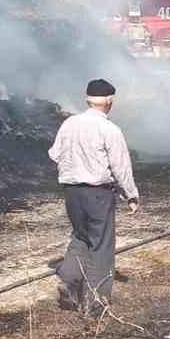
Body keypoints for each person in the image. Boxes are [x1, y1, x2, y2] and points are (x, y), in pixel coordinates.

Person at [47, 79, 139, 317]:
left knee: (81, 235)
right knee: (101, 246)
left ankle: (69, 281)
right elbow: (120, 167)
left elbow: (54, 154)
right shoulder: (110, 129)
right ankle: (96, 306)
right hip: (98, 192)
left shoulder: (69, 123)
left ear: (87, 100)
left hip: (71, 191)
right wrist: (131, 195)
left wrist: (75, 167)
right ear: (109, 101)